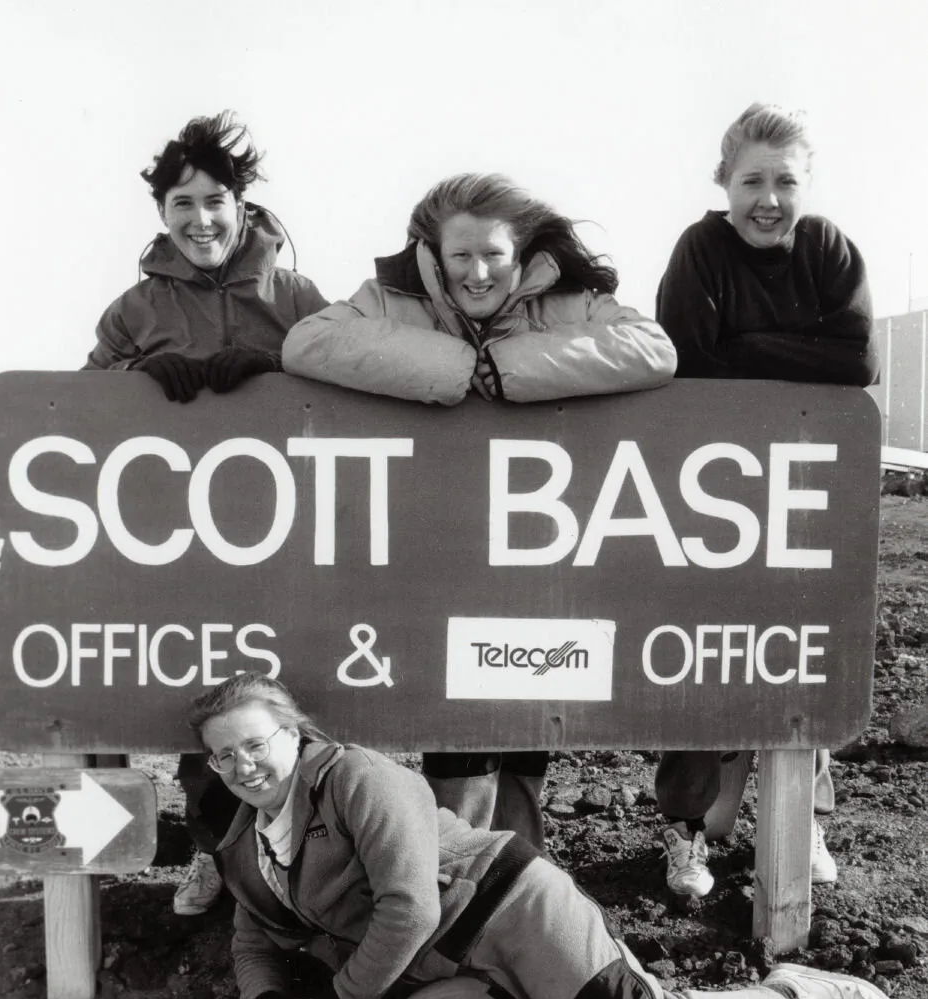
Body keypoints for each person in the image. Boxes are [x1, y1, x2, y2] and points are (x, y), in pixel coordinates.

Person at [188, 672, 900, 999]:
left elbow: (406, 910)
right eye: (224, 757)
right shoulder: (246, 843)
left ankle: (793, 996)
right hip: (455, 976)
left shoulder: (354, 777)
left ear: (294, 732)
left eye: (257, 743)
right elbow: (252, 936)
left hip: (514, 916)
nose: (244, 765)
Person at [282, 173, 678, 846]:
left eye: (493, 253)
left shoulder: (570, 303)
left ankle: (519, 888)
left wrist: (511, 368)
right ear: (434, 254)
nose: (478, 271)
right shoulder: (389, 299)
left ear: (519, 253)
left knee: (524, 720)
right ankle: (451, 894)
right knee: (456, 734)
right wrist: (454, 367)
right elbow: (306, 343)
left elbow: (653, 348)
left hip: (534, 555)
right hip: (429, 556)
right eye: (460, 255)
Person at [85, 112, 328, 915]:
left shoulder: (295, 293)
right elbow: (84, 405)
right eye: (182, 203)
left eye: (216, 199)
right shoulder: (132, 308)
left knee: (293, 703)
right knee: (207, 697)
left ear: (242, 203)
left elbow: (345, 381)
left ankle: (310, 865)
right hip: (185, 542)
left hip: (287, 537)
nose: (202, 219)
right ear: (162, 212)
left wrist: (276, 364)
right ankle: (213, 856)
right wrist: (139, 375)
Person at [652, 103, 879, 899]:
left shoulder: (829, 250)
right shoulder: (700, 249)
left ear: (807, 183)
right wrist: (793, 359)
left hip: (803, 493)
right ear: (725, 182)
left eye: (786, 180)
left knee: (800, 656)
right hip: (709, 494)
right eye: (753, 180)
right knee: (703, 657)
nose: (770, 199)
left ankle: (799, 823)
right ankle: (687, 834)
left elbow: (857, 358)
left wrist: (744, 349)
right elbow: (688, 362)